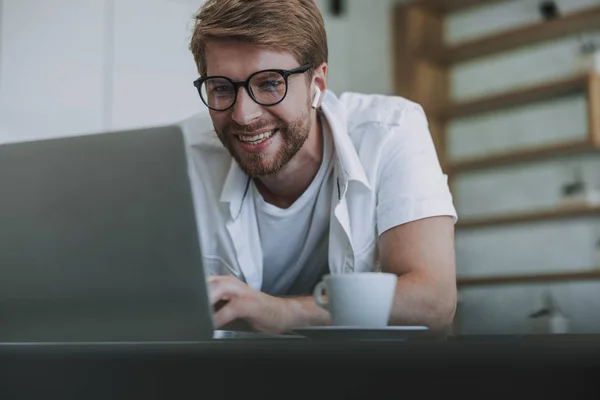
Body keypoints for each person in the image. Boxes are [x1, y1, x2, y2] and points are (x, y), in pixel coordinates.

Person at [180, 0, 458, 335]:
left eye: (269, 84)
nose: (244, 115)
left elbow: (434, 303)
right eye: (222, 88)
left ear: (318, 84)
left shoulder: (391, 131)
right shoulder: (181, 154)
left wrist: (282, 314)